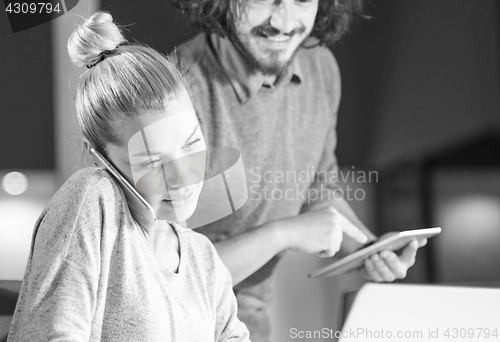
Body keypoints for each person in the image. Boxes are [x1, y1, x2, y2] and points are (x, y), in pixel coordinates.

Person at [170, 0, 425, 340]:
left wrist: (370, 249)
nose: (284, 21)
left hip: (251, 324)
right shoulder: (175, 89)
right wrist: (284, 234)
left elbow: (317, 193)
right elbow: (171, 273)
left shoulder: (320, 68)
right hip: (181, 323)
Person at [7, 11, 250, 342]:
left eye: (191, 143)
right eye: (152, 162)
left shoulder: (204, 260)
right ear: (102, 158)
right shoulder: (93, 201)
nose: (181, 176)